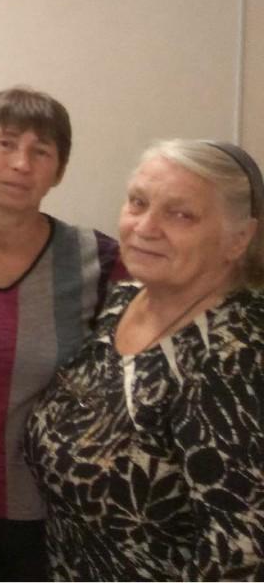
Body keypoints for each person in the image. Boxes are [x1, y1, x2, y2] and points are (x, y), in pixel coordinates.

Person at [26, 139, 264, 580]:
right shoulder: (125, 300)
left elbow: (239, 557)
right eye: (138, 202)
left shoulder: (236, 359)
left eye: (181, 214)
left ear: (238, 239)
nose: (146, 227)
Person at [0, 87, 126, 580]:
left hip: (55, 524)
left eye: (41, 152)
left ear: (59, 170)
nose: (20, 164)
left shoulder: (98, 261)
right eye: (6, 143)